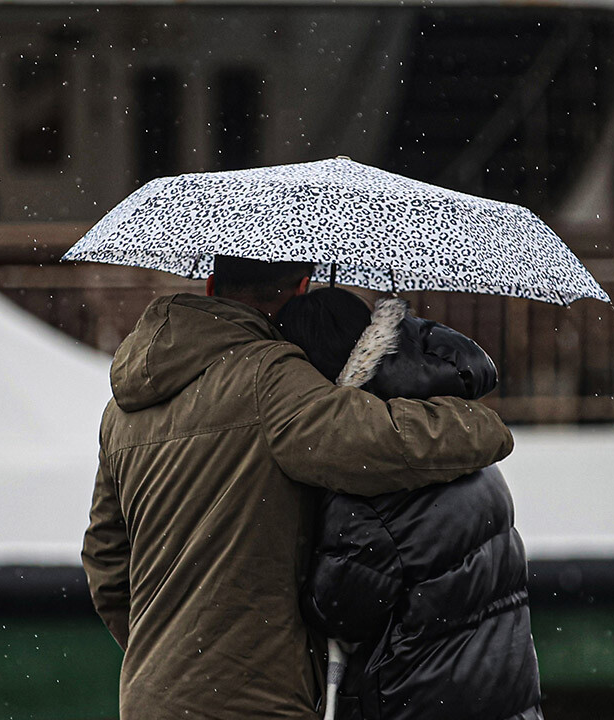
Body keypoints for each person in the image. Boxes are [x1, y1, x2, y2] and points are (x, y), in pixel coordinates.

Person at [81, 256, 515, 720]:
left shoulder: (121, 408)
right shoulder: (268, 375)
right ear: (302, 286)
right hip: (252, 700)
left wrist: (170, 652)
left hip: (149, 697)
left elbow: (106, 563)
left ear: (210, 285)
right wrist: (480, 424)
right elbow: (379, 443)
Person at [278, 288, 542, 720]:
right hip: (502, 697)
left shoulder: (369, 483)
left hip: (419, 701)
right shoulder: (451, 432)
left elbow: (337, 611)